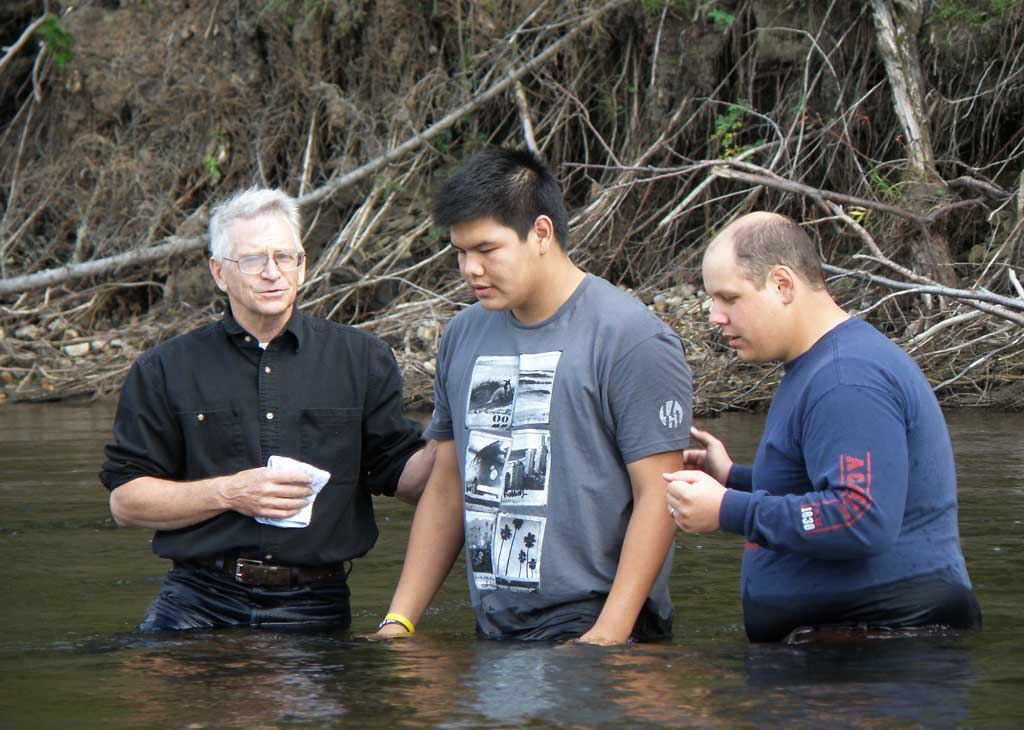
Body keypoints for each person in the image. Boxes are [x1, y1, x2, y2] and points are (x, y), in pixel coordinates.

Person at [374, 147, 693, 644]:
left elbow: (660, 495)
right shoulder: (462, 334)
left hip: (596, 622)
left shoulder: (631, 339)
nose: (469, 269)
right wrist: (399, 621)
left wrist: (606, 635)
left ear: (541, 234)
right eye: (460, 252)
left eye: (486, 249)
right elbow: (448, 483)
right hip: (496, 622)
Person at [100, 187, 434, 632]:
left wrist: (452, 441)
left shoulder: (362, 359)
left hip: (316, 602)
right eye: (254, 259)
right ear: (220, 273)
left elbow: (403, 474)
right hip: (199, 599)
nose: (272, 273)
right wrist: (230, 492)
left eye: (285, 257)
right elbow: (126, 503)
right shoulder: (164, 369)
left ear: (303, 266)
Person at [665, 211, 982, 642]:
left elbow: (860, 517)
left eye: (729, 298)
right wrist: (734, 480)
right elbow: (830, 487)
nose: (715, 317)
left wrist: (727, 509)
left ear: (782, 284)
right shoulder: (824, 366)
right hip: (846, 652)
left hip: (874, 659)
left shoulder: (845, 377)